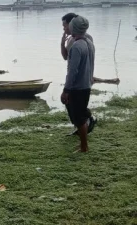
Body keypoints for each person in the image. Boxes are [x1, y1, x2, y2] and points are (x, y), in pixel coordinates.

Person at [61, 15, 95, 153]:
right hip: (86, 84)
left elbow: (72, 71)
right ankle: (83, 144)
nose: (66, 27)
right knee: (80, 114)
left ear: (73, 27)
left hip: (77, 87)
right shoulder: (89, 42)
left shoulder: (76, 46)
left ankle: (84, 147)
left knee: (79, 118)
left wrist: (66, 90)